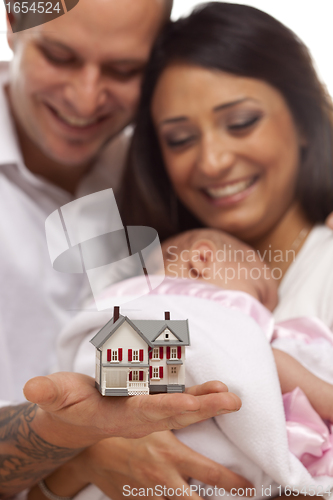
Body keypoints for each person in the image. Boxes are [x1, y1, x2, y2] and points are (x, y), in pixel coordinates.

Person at [0, 0, 252, 497]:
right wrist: (80, 441)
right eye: (60, 56)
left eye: (123, 69)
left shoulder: (158, 165)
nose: (85, 98)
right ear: (12, 25)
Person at [107, 1, 333, 497]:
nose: (212, 160)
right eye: (181, 138)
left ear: (302, 120)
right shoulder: (152, 287)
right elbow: (107, 378)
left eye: (241, 122)